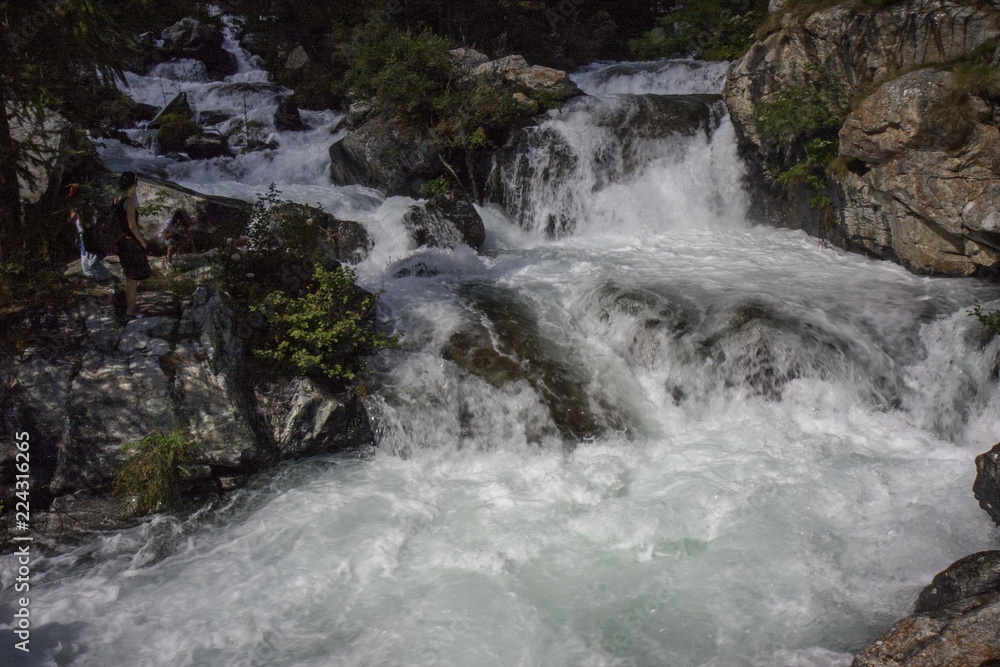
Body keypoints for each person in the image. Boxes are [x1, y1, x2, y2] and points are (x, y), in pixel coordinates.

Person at [113, 172, 152, 319]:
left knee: (128, 276)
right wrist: (142, 242)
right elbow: (132, 226)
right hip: (130, 242)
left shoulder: (117, 198)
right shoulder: (129, 201)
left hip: (120, 241)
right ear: (135, 183)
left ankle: (131, 306)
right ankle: (131, 309)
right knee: (132, 279)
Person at [66, 184, 113, 281]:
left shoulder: (87, 207)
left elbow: (91, 222)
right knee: (84, 256)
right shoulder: (79, 208)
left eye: (77, 196)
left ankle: (104, 276)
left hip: (88, 235)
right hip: (82, 234)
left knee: (90, 258)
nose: (76, 199)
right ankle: (90, 276)